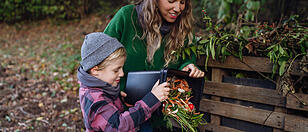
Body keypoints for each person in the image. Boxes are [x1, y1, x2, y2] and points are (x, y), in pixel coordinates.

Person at [77, 32, 170, 132]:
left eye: (122, 68)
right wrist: (152, 100)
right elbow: (119, 126)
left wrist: (117, 98)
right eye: (116, 70)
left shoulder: (100, 85)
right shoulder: (94, 99)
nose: (121, 74)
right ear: (95, 70)